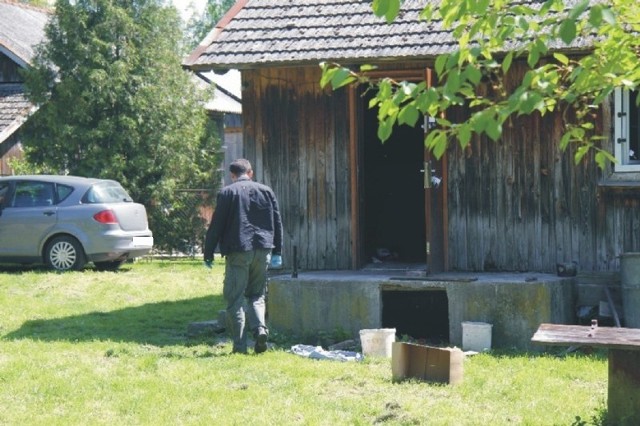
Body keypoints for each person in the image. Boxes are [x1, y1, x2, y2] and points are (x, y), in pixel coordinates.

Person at [204, 159, 283, 354]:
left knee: (235, 298)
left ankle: (240, 347)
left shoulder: (227, 193)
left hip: (239, 250)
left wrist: (208, 253)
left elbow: (216, 226)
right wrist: (278, 251)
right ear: (251, 172)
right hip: (264, 249)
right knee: (257, 295)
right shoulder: (266, 191)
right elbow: (277, 221)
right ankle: (260, 329)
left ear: (232, 175)